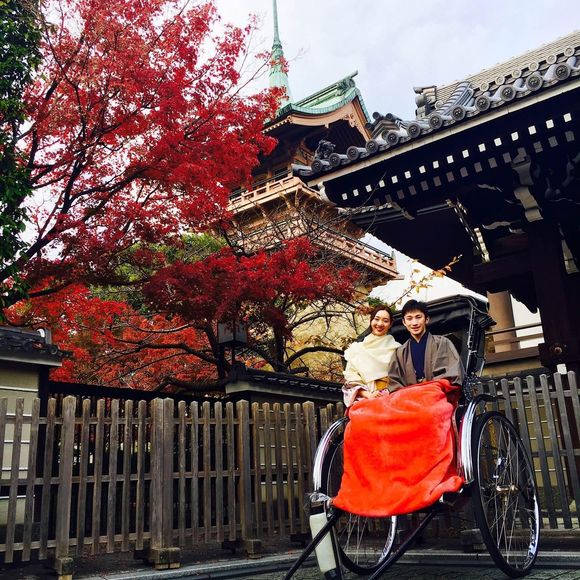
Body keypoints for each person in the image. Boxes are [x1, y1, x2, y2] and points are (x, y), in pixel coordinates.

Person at [387, 298, 464, 391]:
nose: (414, 323)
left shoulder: (442, 343)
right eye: (409, 318)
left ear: (426, 319)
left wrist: (430, 388)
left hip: (438, 393)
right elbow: (394, 382)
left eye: (418, 317)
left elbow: (452, 373)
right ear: (404, 322)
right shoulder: (400, 352)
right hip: (410, 396)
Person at [342, 305, 401, 407]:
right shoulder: (357, 349)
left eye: (385, 321)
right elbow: (351, 380)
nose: (380, 324)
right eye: (376, 319)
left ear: (390, 324)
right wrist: (369, 395)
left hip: (393, 399)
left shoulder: (398, 349)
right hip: (367, 400)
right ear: (371, 320)